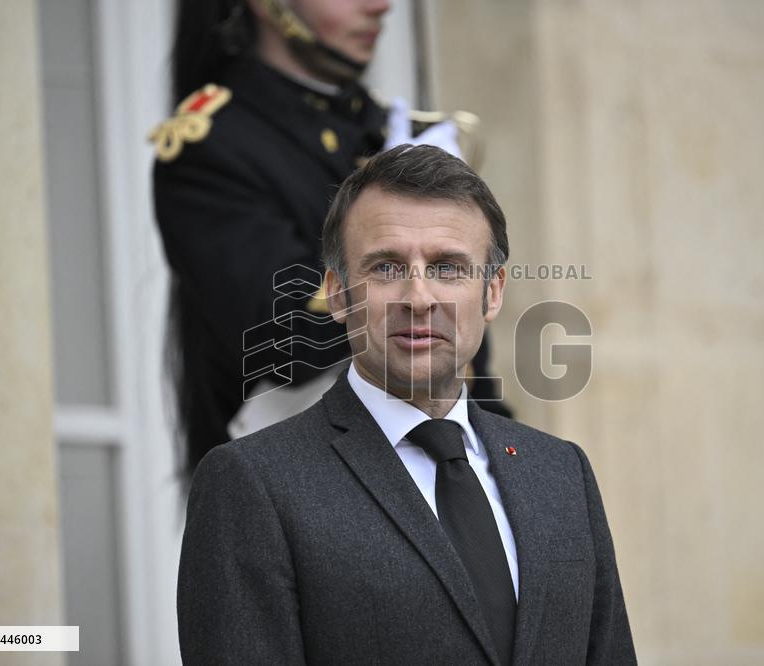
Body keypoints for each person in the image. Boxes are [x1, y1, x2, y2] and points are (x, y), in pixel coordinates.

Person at [177, 145, 636, 664]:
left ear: (492, 293)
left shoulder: (561, 472)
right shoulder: (252, 483)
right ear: (338, 294)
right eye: (387, 267)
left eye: (447, 268)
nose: (419, 298)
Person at [150, 0, 509, 481]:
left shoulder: (379, 127)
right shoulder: (213, 145)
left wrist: (505, 469)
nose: (380, 6)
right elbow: (287, 342)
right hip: (306, 488)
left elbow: (467, 358)